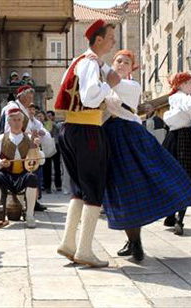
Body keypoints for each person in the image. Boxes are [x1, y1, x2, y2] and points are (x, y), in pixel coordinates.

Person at [101, 50, 191, 262]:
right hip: (110, 137)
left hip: (129, 136)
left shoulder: (131, 85)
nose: (121, 64)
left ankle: (135, 242)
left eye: (126, 62)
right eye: (118, 61)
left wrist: (96, 61)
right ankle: (134, 242)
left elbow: (112, 82)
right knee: (123, 190)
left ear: (131, 68)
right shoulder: (106, 85)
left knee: (136, 185)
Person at [55, 20, 124, 268]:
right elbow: (90, 97)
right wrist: (110, 84)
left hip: (70, 129)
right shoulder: (90, 64)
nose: (114, 42)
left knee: (78, 189)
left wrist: (106, 73)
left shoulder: (80, 61)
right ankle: (84, 249)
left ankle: (68, 243)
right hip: (87, 131)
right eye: (111, 37)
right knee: (94, 189)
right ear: (98, 40)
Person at [0, 108, 45, 229]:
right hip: (7, 174)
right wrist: (0, 162)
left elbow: (41, 160)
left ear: (22, 122)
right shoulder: (1, 138)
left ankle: (29, 216)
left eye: (19, 120)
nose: (17, 122)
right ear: (9, 122)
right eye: (14, 120)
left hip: (23, 174)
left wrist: (36, 149)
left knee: (32, 178)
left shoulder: (30, 138)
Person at [162, 72, 191, 235]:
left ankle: (171, 214)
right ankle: (178, 217)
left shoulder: (176, 98)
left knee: (172, 176)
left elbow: (173, 116)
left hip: (174, 137)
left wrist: (170, 116)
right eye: (189, 82)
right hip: (183, 138)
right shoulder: (181, 97)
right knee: (185, 176)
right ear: (181, 85)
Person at [43, 110, 62, 193]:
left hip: (56, 145)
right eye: (47, 116)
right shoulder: (44, 124)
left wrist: (52, 123)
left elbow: (59, 129)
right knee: (47, 167)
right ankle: (47, 187)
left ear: (53, 116)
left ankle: (58, 185)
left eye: (50, 116)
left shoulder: (58, 123)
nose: (48, 118)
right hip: (47, 145)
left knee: (57, 166)